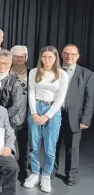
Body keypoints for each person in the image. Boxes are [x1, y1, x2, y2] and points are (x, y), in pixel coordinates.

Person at [23, 46, 69, 193]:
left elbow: (61, 98)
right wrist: (35, 113)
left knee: (50, 149)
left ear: (56, 58)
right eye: (44, 57)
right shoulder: (34, 72)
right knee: (34, 146)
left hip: (53, 111)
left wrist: (47, 115)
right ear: (40, 58)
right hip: (36, 108)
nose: (47, 60)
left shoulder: (62, 74)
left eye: (50, 57)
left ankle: (46, 176)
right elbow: (31, 92)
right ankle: (35, 173)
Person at [55, 44, 93, 186]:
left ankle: (71, 174)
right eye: (66, 53)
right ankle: (51, 171)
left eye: (73, 54)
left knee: (73, 147)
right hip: (56, 114)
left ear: (78, 56)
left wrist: (86, 119)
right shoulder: (55, 71)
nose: (69, 57)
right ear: (62, 55)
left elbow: (90, 99)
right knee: (53, 145)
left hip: (75, 117)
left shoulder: (87, 74)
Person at [0, 50, 24, 129]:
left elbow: (16, 106)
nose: (2, 66)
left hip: (8, 120)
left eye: (6, 63)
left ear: (10, 64)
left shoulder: (15, 82)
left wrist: (1, 117)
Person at [9, 45, 31, 178]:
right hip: (8, 116)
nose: (18, 59)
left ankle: (23, 170)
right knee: (7, 145)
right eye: (15, 56)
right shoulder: (6, 71)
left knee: (24, 146)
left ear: (26, 58)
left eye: (21, 56)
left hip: (25, 116)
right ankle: (6, 172)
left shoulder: (32, 73)